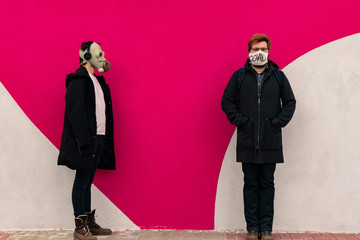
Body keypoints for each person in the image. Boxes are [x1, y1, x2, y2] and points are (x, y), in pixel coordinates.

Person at [221, 34, 296, 240]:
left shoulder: (279, 76)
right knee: (251, 185)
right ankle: (253, 229)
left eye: (263, 49)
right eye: (255, 49)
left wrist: (276, 123)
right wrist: (242, 121)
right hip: (247, 140)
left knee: (267, 185)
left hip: (270, 141)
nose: (259, 53)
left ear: (269, 51)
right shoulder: (240, 76)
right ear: (249, 52)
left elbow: (290, 102)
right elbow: (227, 101)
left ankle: (267, 229)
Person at [58, 41, 116, 240]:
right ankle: (79, 227)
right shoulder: (78, 80)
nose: (102, 54)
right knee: (81, 180)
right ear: (86, 55)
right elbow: (75, 114)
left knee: (88, 181)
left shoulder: (97, 81)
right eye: (98, 52)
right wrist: (84, 141)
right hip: (87, 141)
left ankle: (89, 223)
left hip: (99, 138)